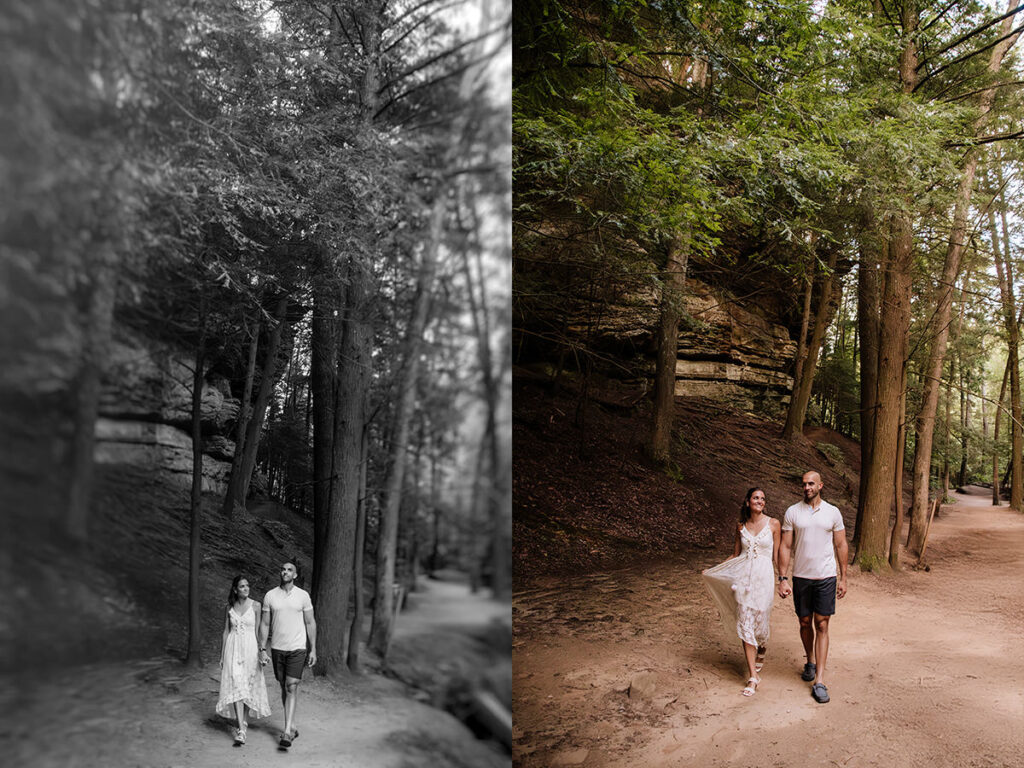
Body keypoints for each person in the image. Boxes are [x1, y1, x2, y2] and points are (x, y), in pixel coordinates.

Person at [777, 470, 849, 704]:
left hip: (826, 577)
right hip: (801, 577)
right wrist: (783, 578)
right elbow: (786, 547)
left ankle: (819, 680)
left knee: (822, 624)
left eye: (811, 484)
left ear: (821, 485)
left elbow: (841, 545)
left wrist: (843, 577)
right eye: (804, 484)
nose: (806, 487)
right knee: (805, 622)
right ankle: (810, 660)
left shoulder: (832, 512)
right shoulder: (792, 512)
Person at [702, 487, 781, 696]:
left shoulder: (774, 524)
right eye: (756, 498)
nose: (760, 501)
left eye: (763, 498)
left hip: (764, 579)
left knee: (760, 623)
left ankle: (762, 645)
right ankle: (753, 676)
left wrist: (783, 579)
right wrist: (714, 570)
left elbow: (777, 555)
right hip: (742, 580)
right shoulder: (740, 526)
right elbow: (736, 555)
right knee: (745, 622)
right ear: (748, 502)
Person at [258, 561, 317, 748]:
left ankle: (286, 733)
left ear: (295, 575)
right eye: (283, 569)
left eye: (289, 570)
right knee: (284, 686)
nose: (285, 572)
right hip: (277, 648)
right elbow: (265, 624)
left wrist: (313, 648)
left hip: (297, 648)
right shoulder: (270, 596)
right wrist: (262, 648)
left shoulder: (303, 596)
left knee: (292, 686)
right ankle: (292, 725)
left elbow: (310, 623)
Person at [216, 575, 271, 745]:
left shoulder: (256, 606)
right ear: (235, 589)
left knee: (247, 686)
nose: (246, 588)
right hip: (232, 649)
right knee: (237, 685)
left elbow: (257, 632)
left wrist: (261, 652)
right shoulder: (229, 607)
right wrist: (222, 655)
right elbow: (226, 632)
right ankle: (241, 730)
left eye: (247, 585)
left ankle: (243, 721)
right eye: (242, 586)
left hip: (250, 649)